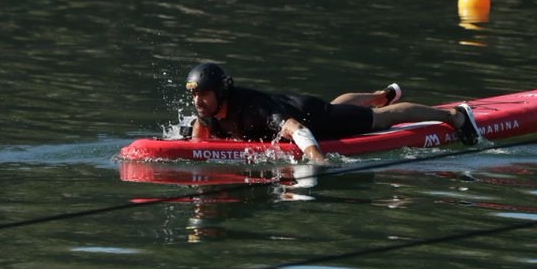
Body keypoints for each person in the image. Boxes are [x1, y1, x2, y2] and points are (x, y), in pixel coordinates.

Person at [184, 62, 482, 165]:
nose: (198, 101)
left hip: (314, 120)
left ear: (220, 92)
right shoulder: (208, 111)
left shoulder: (252, 109)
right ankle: (379, 96)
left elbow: (297, 129)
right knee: (339, 106)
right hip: (300, 103)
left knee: (383, 118)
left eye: (203, 93)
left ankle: (454, 116)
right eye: (195, 94)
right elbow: (200, 138)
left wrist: (317, 160)